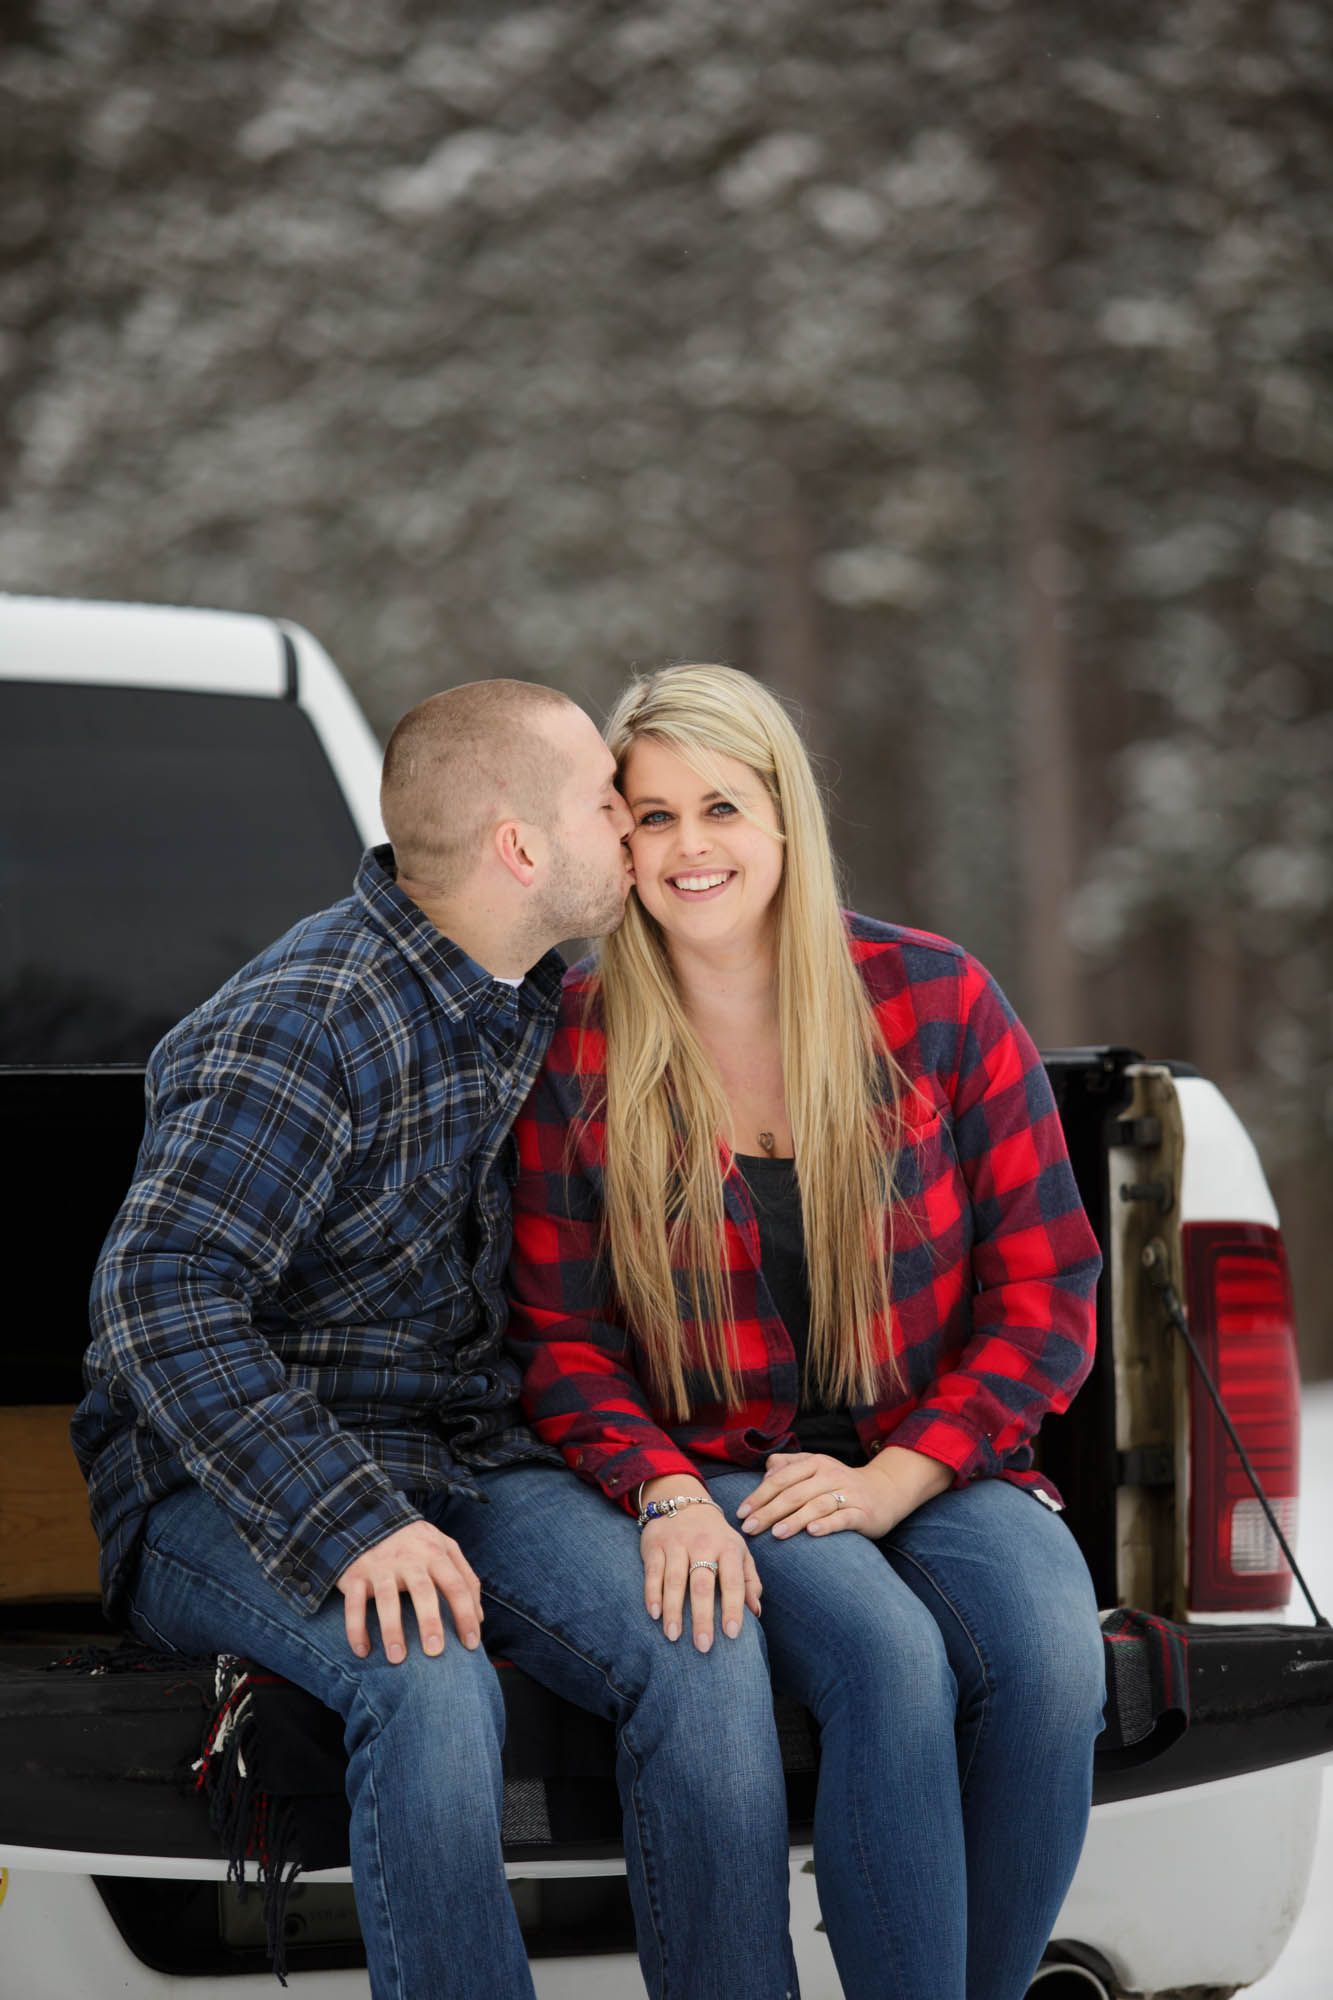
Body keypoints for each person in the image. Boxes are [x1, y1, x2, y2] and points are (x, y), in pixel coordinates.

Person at [73, 677, 797, 2000]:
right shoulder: (306, 1021)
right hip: (228, 1488)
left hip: (461, 1457)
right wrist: (352, 1522)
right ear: (521, 847)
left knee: (696, 1637)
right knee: (426, 1675)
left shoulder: (526, 1000)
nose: (633, 831)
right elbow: (159, 1297)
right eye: (604, 804)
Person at [505, 663, 1108, 2000]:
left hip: (927, 1451)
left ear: (783, 814)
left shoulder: (935, 1000)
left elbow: (1047, 1287)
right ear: (614, 839)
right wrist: (659, 1485)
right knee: (887, 1666)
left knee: (1052, 1661)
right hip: (720, 1468)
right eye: (648, 817)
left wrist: (900, 1475)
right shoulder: (582, 1040)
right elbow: (555, 1335)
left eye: (719, 806)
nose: (688, 847)